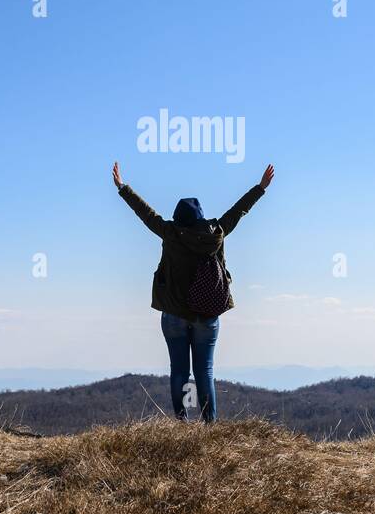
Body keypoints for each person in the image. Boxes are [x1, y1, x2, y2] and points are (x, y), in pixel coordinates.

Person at [112, 161, 274, 422]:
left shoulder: (170, 233)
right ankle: (209, 425)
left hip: (174, 314)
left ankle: (182, 424)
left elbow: (145, 213)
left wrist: (123, 188)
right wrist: (260, 188)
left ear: (178, 218)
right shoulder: (217, 233)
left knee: (179, 372)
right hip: (207, 315)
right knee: (204, 372)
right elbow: (238, 211)